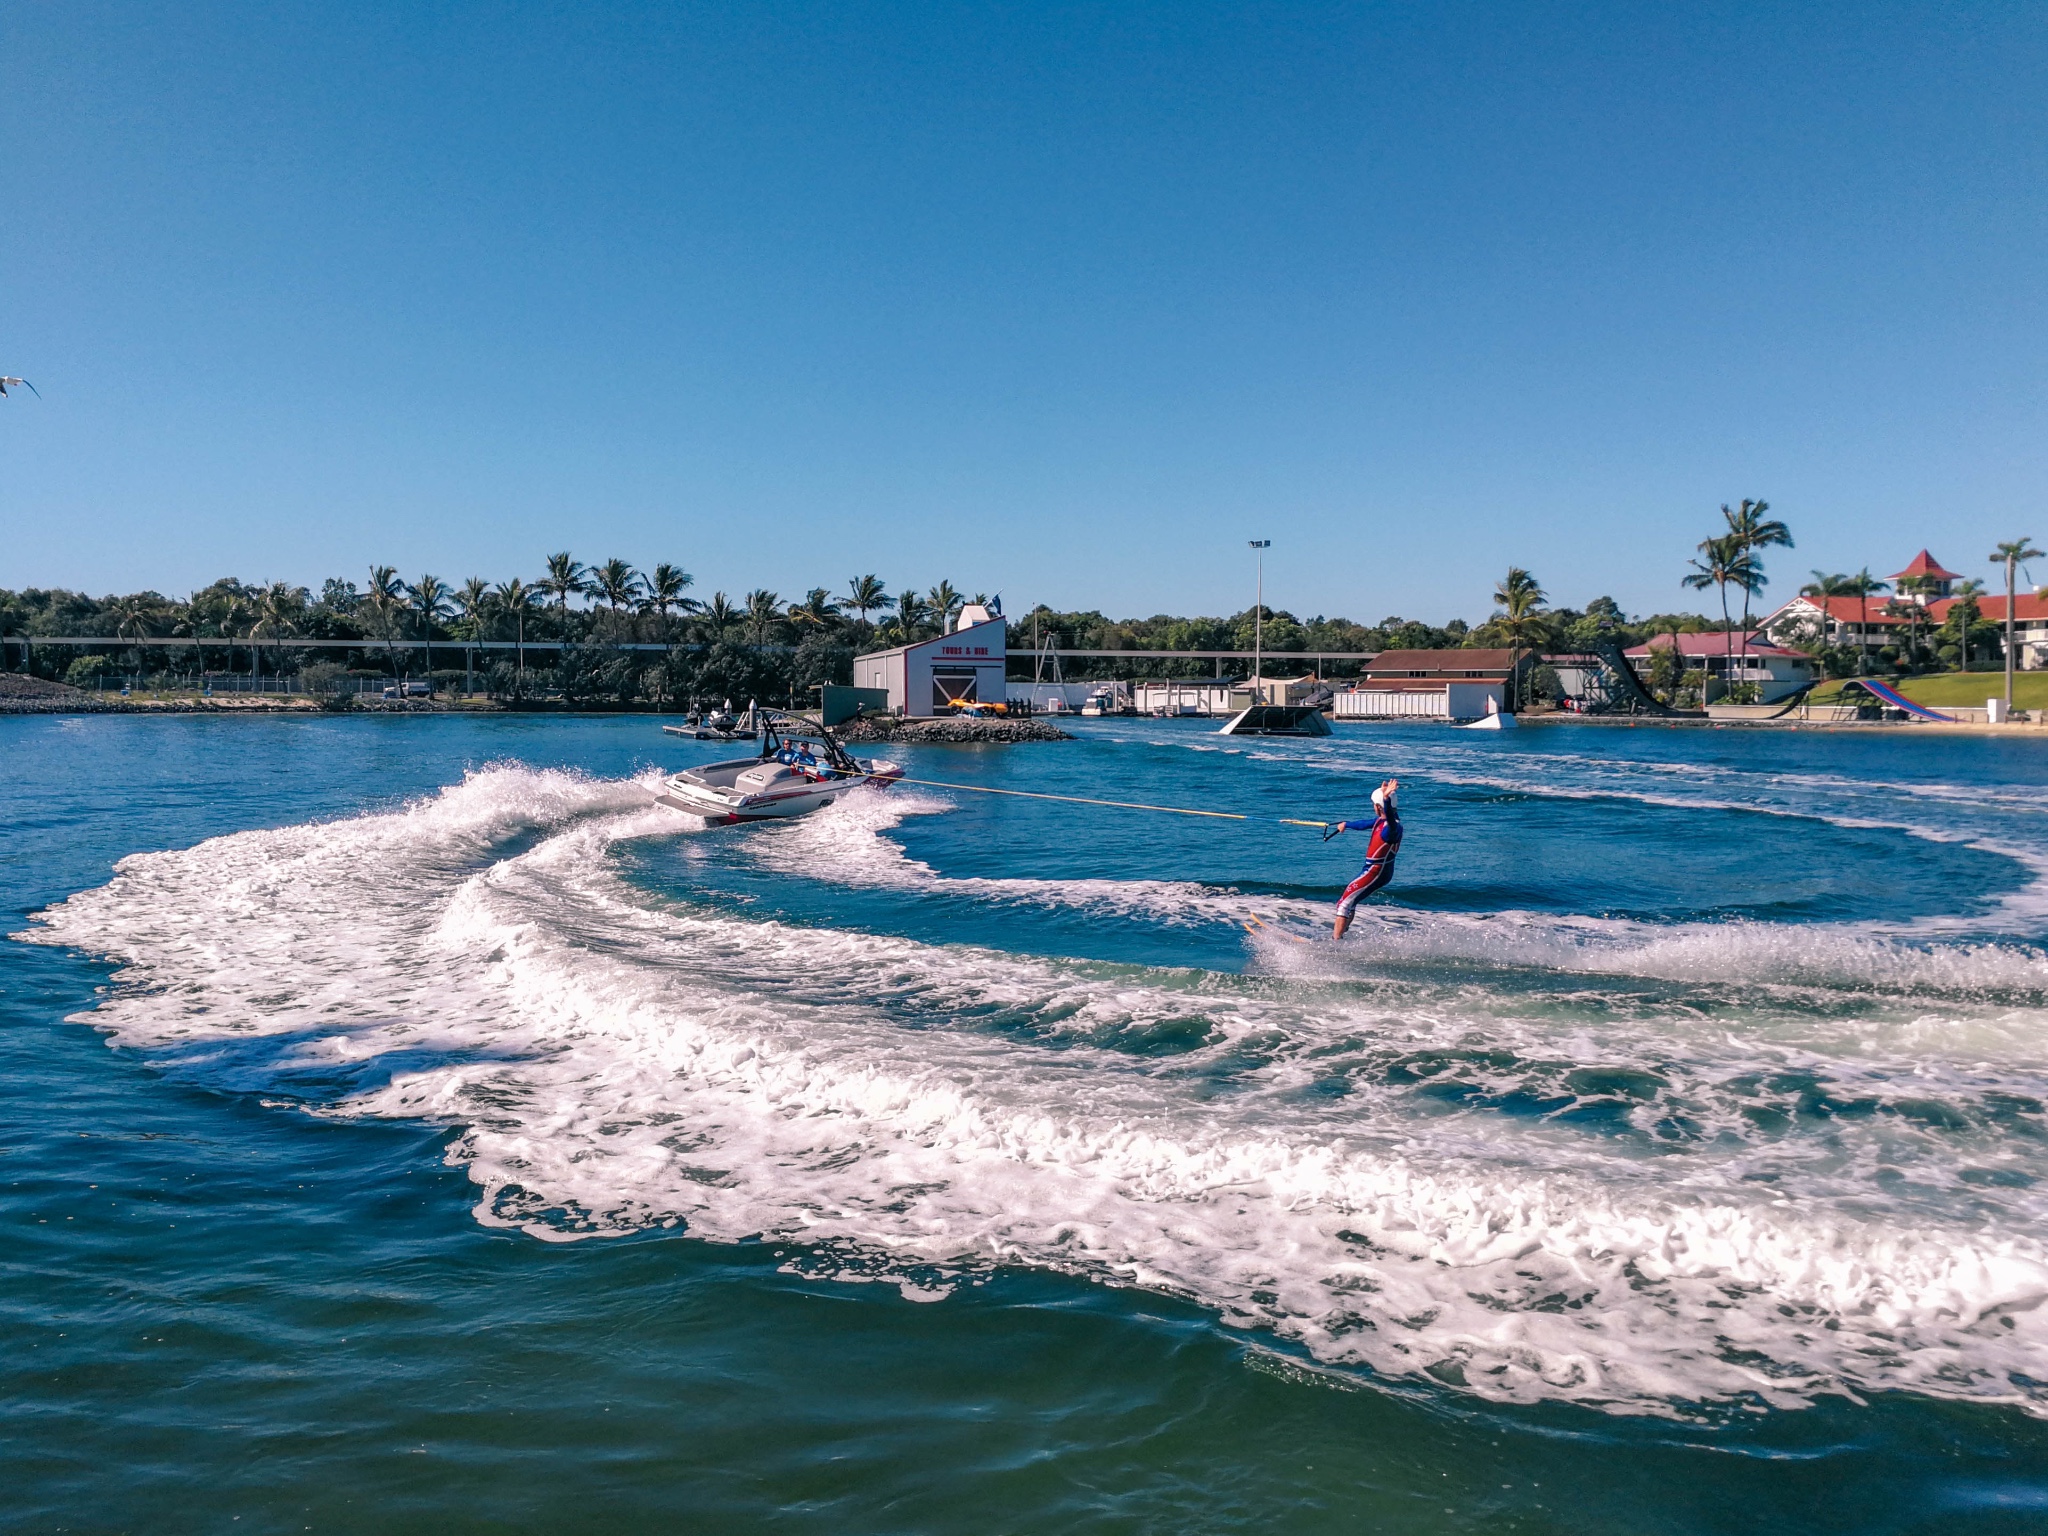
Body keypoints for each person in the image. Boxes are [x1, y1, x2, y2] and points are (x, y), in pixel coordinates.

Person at [1328, 778, 1401, 939]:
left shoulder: (1391, 828)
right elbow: (1364, 824)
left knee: (1343, 904)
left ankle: (1335, 945)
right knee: (1350, 901)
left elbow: (1389, 817)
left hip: (1376, 871)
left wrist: (1386, 799)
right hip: (1376, 870)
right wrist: (1346, 824)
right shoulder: (1381, 821)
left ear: (1378, 806)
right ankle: (1340, 938)